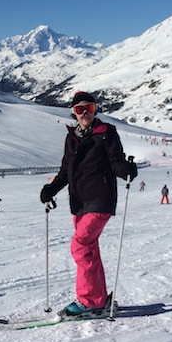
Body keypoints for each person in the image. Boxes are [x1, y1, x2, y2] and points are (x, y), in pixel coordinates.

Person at [40, 91, 137, 317]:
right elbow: (66, 170)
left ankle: (90, 301)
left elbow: (116, 162)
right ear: (74, 113)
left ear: (95, 110)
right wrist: (51, 189)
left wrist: (125, 170)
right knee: (89, 249)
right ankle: (98, 298)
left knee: (81, 246)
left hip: (100, 199)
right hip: (79, 202)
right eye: (80, 109)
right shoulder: (71, 138)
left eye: (89, 108)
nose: (85, 114)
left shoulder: (106, 133)